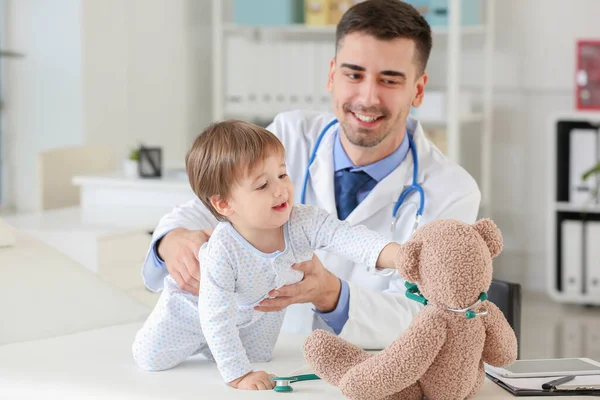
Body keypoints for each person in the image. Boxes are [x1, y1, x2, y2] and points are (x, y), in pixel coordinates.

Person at [141, 0, 480, 350]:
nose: (367, 97)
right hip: (262, 362)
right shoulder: (288, 135)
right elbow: (206, 206)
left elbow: (426, 318)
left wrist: (329, 293)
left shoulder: (452, 191)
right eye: (354, 74)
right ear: (332, 75)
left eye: (389, 80)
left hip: (372, 371)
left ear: (419, 89)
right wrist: (171, 241)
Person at [132, 120, 402, 390]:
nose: (280, 189)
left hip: (259, 313)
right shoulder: (222, 250)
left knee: (259, 358)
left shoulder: (303, 221)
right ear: (224, 203)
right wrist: (237, 375)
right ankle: (208, 344)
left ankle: (214, 348)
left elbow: (350, 238)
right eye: (262, 185)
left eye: (283, 175)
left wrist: (400, 256)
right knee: (150, 359)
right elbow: (216, 317)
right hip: (193, 311)